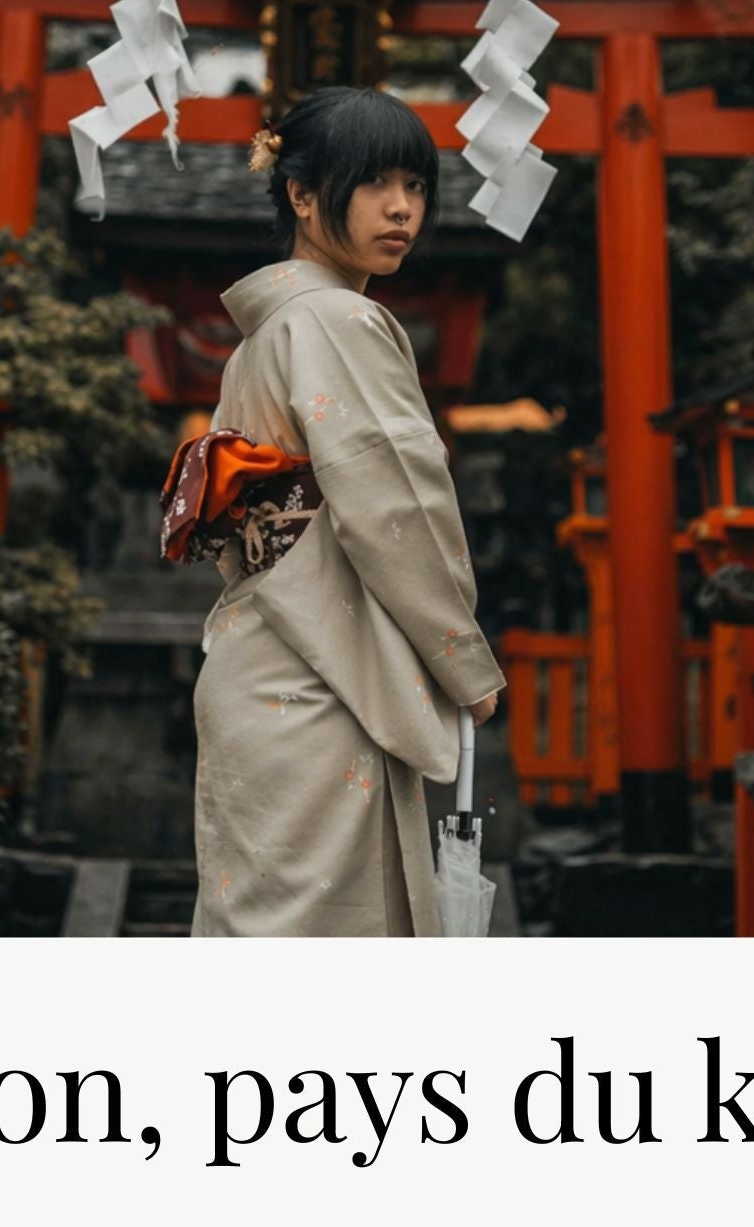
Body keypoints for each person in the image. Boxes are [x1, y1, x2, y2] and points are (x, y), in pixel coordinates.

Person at [172, 86, 506, 937]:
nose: (402, 209)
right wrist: (463, 660)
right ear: (302, 192)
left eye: (417, 186)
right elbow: (392, 503)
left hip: (263, 660)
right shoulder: (337, 318)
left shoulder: (260, 340)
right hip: (319, 682)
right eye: (374, 183)